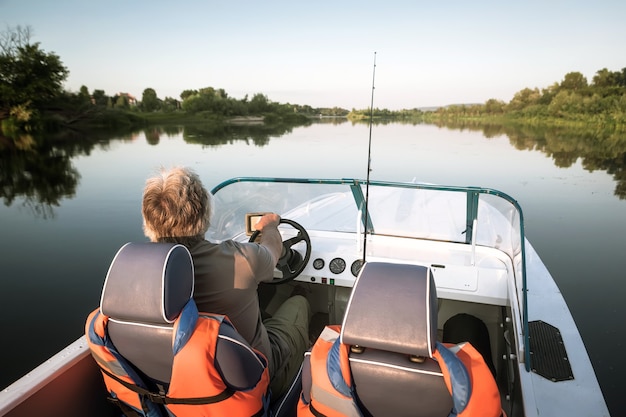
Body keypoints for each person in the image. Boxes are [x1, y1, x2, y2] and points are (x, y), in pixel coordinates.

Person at [141, 166, 310, 399]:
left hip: (176, 384)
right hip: (253, 382)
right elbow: (272, 253)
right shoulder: (242, 258)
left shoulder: (137, 274)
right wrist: (269, 226)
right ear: (204, 216)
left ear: (148, 222)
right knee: (300, 302)